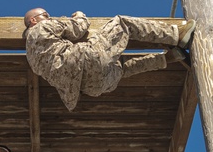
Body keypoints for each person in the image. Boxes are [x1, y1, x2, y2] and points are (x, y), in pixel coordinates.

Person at [23, 9, 196, 111]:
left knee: (122, 69)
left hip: (92, 88)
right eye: (45, 14)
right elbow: (79, 29)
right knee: (122, 24)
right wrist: (79, 15)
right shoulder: (42, 27)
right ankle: (176, 36)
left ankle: (168, 58)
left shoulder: (31, 59)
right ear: (33, 20)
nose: (49, 16)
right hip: (87, 60)